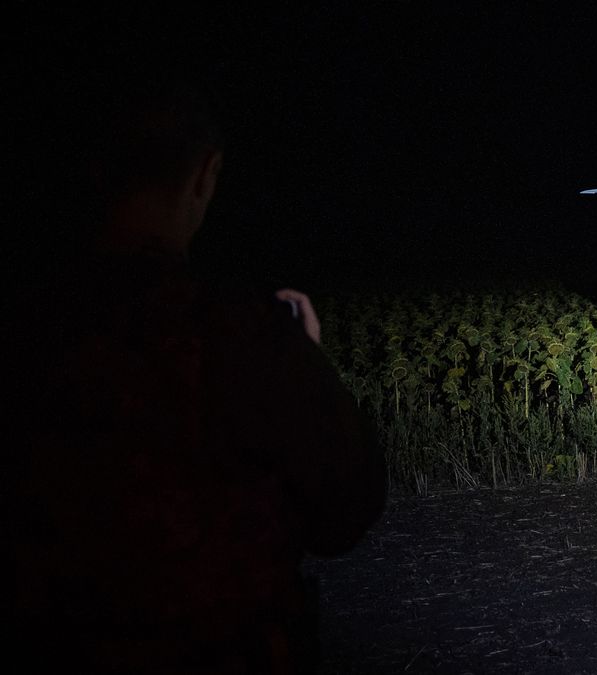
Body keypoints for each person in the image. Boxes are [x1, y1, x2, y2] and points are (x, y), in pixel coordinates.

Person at [4, 54, 386, 674]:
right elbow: (348, 505)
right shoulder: (240, 333)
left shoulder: (28, 330)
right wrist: (311, 365)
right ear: (205, 176)